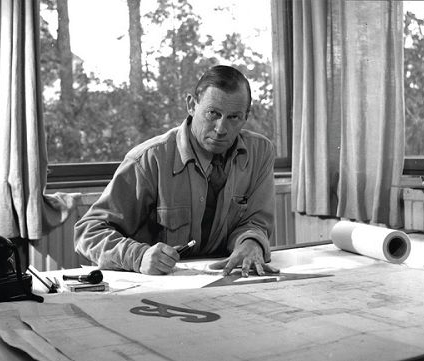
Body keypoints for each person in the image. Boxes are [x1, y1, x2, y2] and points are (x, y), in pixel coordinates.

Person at [74, 65, 279, 277]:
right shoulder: (149, 160)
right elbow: (88, 232)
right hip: (155, 288)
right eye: (212, 113)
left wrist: (251, 243)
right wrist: (138, 256)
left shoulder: (259, 153)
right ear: (191, 105)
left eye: (233, 117)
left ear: (246, 117)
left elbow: (255, 222)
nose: (221, 129)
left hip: (225, 282)